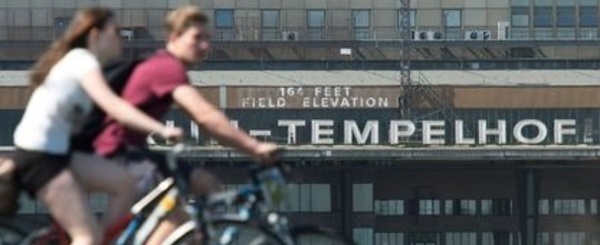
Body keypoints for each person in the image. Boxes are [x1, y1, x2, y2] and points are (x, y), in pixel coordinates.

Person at [91, 5, 279, 244]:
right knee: (180, 217)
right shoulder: (167, 68)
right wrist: (254, 147)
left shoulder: (162, 65)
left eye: (207, 39)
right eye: (197, 38)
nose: (204, 46)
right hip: (119, 151)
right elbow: (205, 117)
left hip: (129, 151)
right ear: (174, 37)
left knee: (205, 186)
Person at [12, 8, 182, 245]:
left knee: (125, 182)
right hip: (41, 158)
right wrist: (162, 130)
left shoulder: (84, 63)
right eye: (115, 31)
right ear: (95, 34)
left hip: (62, 154)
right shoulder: (82, 60)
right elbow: (113, 106)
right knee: (86, 237)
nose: (120, 38)